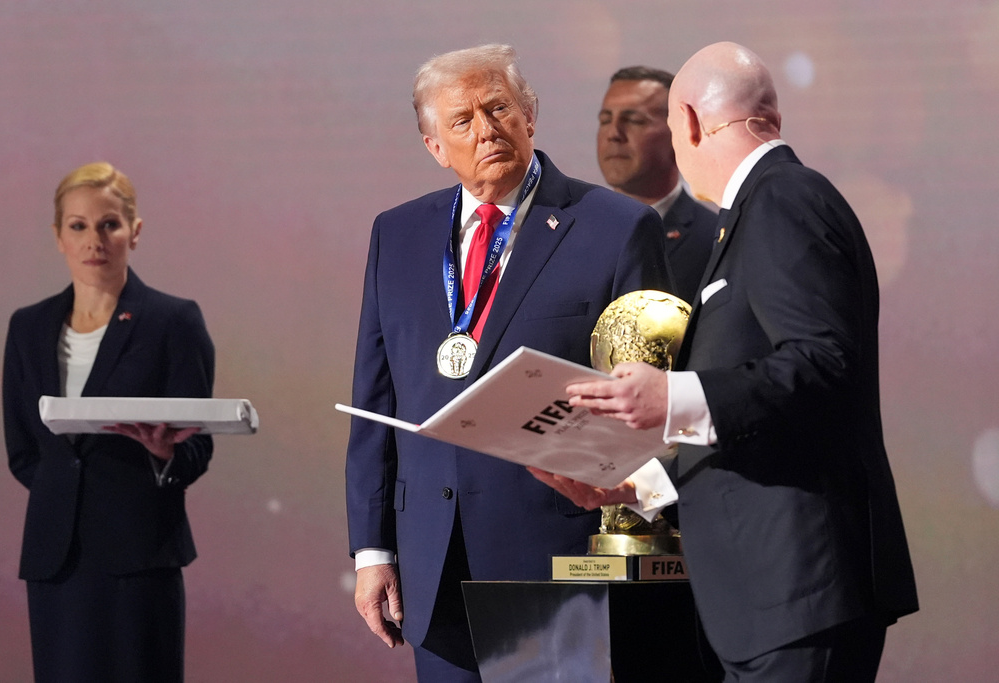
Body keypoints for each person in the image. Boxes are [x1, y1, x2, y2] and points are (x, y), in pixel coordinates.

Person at [531, 42, 918, 682]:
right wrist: (640, 490)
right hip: (767, 602)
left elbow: (825, 364)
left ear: (686, 121)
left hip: (796, 593)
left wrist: (673, 397)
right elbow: (765, 414)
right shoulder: (760, 207)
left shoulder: (781, 198)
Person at [345, 44, 672, 682]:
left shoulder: (614, 228)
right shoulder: (397, 235)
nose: (487, 129)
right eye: (462, 120)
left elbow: (655, 402)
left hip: (558, 564)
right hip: (431, 568)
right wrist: (372, 550)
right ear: (434, 145)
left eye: (498, 108)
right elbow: (375, 401)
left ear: (531, 116)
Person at [3, 162, 215, 682]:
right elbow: (25, 451)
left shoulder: (174, 321)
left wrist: (164, 457)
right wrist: (72, 498)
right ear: (58, 236)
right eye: (78, 226)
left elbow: (197, 447)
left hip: (138, 554)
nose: (93, 239)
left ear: (133, 231)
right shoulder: (28, 327)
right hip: (56, 557)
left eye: (108, 224)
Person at [597, 66, 718, 303]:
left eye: (634, 120)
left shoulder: (714, 241)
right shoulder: (574, 233)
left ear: (679, 133)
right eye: (605, 120)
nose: (613, 133)